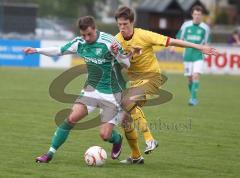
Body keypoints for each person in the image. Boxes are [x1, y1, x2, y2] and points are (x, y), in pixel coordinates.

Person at [112, 6, 218, 164]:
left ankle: (150, 139)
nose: (122, 28)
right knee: (125, 120)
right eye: (119, 24)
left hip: (152, 78)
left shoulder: (145, 35)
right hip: (136, 82)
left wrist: (200, 47)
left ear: (132, 22)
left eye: (125, 24)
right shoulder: (116, 40)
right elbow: (116, 60)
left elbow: (173, 41)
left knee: (126, 101)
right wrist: (114, 53)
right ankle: (136, 156)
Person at [23, 16, 133, 163]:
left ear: (95, 29)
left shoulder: (109, 42)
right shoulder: (79, 43)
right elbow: (58, 51)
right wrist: (37, 50)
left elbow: (127, 64)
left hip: (111, 93)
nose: (86, 38)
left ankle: (117, 139)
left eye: (89, 34)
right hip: (91, 90)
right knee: (70, 118)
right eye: (83, 35)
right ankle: (49, 153)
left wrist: (117, 54)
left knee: (105, 136)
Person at [176, 5, 211, 105]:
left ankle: (193, 99)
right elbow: (179, 38)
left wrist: (207, 50)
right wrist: (174, 46)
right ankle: (193, 96)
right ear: (192, 14)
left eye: (199, 14)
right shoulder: (186, 25)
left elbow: (207, 43)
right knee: (190, 79)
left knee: (195, 76)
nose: (197, 16)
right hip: (187, 56)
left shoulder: (205, 28)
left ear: (202, 16)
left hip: (198, 56)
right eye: (195, 14)